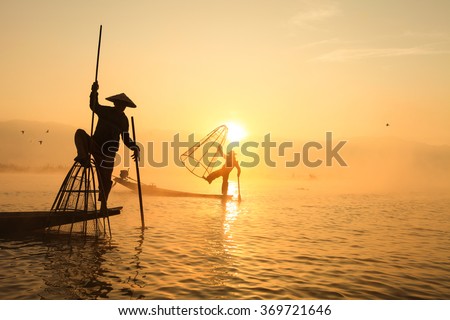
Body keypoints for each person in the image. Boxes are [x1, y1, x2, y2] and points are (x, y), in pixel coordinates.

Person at [74, 81, 140, 210]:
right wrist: (94, 92)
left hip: (109, 153)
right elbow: (94, 106)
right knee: (79, 134)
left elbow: (126, 139)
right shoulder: (105, 111)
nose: (122, 107)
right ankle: (83, 157)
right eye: (120, 104)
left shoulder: (123, 120)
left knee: (106, 180)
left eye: (124, 105)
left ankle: (103, 205)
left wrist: (135, 147)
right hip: (95, 144)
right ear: (115, 103)